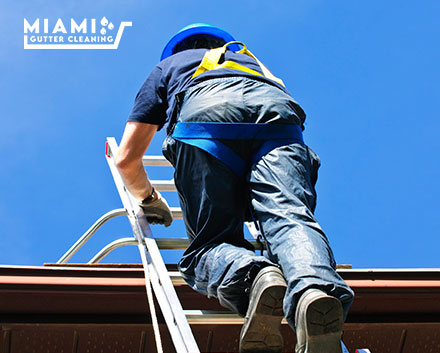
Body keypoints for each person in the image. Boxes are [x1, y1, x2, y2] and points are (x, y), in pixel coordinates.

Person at [115, 23, 354, 353]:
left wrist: (149, 198)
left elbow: (126, 159)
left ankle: (255, 277)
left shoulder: (167, 68)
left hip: (205, 123)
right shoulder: (253, 63)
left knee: (207, 248)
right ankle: (314, 290)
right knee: (289, 219)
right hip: (278, 122)